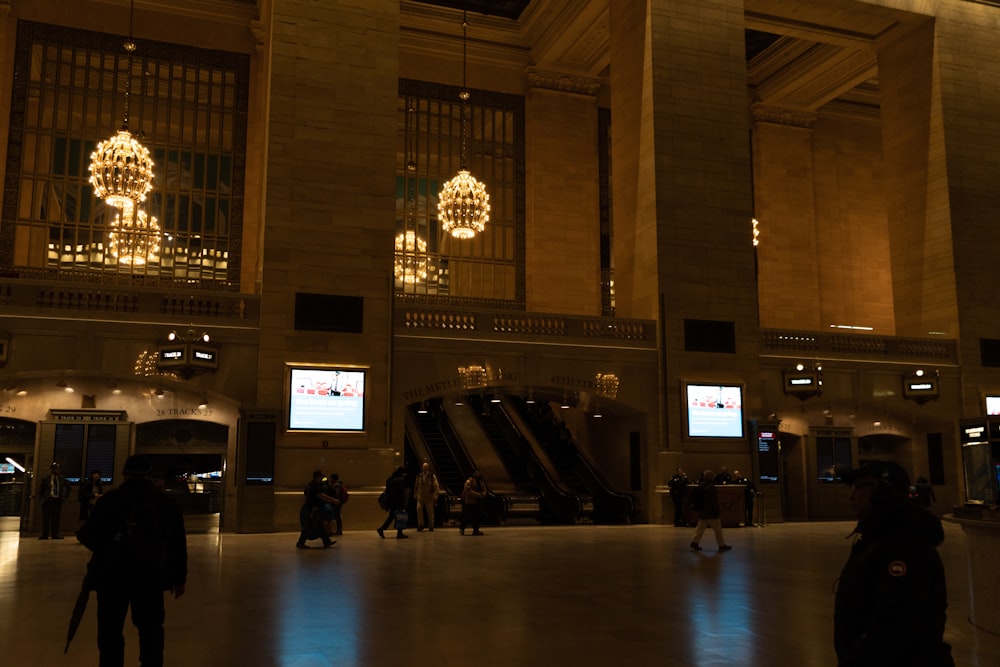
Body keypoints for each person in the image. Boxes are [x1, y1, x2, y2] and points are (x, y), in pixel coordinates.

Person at [834, 461, 954, 666]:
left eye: (859, 487)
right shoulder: (878, 538)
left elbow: (894, 629)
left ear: (883, 491)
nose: (852, 497)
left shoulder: (904, 547)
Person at [76, 454, 187, 667]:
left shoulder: (110, 500)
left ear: (123, 474)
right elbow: (177, 544)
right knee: (151, 630)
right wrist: (178, 578)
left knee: (110, 631)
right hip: (150, 576)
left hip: (112, 576)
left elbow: (88, 536)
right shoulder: (166, 503)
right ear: (150, 475)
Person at [689, 469, 732, 552]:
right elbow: (713, 501)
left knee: (700, 528)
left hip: (702, 511)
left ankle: (694, 542)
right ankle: (721, 545)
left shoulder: (701, 485)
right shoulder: (711, 487)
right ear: (710, 477)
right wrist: (717, 511)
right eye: (712, 475)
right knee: (718, 530)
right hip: (711, 513)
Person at [297, 470, 336, 549]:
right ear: (319, 476)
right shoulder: (315, 486)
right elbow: (321, 495)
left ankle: (326, 541)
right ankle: (300, 542)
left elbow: (305, 497)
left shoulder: (309, 485)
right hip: (312, 510)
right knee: (309, 526)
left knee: (319, 526)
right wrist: (333, 500)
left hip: (310, 508)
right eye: (321, 476)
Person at [38, 462, 70, 539]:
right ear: (52, 469)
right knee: (46, 519)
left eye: (59, 469)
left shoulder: (62, 478)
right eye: (56, 469)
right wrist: (42, 499)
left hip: (57, 500)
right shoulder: (46, 479)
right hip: (48, 500)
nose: (58, 470)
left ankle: (55, 534)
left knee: (56, 518)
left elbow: (68, 488)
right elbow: (41, 490)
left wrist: (65, 496)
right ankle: (45, 534)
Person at [377, 466, 409, 539]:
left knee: (391, 517)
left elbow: (387, 490)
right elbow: (401, 494)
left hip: (391, 501)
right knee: (400, 517)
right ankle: (399, 533)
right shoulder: (400, 480)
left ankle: (381, 529)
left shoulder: (389, 479)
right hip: (398, 502)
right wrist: (404, 504)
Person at [413, 461, 441, 531]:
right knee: (418, 509)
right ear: (422, 468)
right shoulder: (419, 476)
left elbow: (436, 486)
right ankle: (420, 524)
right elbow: (416, 486)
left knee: (430, 511)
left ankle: (431, 525)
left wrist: (435, 495)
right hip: (420, 496)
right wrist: (415, 494)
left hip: (429, 496)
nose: (425, 468)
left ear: (428, 468)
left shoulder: (432, 476)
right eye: (424, 467)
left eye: (426, 467)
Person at [459, 470, 487, 536]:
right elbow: (468, 490)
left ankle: (476, 530)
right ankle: (462, 527)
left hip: (478, 501)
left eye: (478, 473)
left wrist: (484, 493)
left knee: (477, 516)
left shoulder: (480, 481)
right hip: (470, 501)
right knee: (468, 515)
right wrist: (478, 494)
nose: (478, 474)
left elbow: (484, 488)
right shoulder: (470, 480)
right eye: (476, 473)